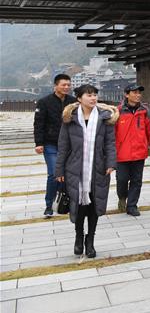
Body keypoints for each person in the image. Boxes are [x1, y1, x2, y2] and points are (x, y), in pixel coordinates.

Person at [54, 85, 117, 258]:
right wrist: (58, 169)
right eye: (89, 95)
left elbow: (110, 143)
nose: (93, 98)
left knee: (94, 205)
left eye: (95, 95)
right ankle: (79, 236)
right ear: (79, 98)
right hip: (75, 169)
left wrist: (111, 163)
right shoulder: (70, 119)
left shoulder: (105, 118)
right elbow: (63, 146)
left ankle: (90, 241)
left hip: (98, 168)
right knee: (78, 205)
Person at [34, 74, 76, 217]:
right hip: (51, 144)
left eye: (68, 85)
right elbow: (38, 124)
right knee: (54, 174)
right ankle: (49, 205)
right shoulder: (44, 102)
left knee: (68, 174)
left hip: (69, 144)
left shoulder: (73, 102)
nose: (66, 87)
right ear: (55, 86)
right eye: (63, 85)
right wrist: (39, 143)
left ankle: (65, 203)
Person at [115, 84, 150, 216]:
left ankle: (132, 206)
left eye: (139, 92)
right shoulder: (118, 111)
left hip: (139, 152)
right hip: (121, 153)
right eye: (134, 92)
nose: (138, 95)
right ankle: (122, 197)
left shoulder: (145, 111)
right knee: (121, 180)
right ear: (126, 95)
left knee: (136, 180)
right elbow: (111, 133)